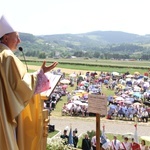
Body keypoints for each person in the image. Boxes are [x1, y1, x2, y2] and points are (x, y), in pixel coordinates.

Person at [0, 15, 58, 150]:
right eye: (17, 37)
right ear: (6, 38)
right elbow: (21, 86)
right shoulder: (7, 57)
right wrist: (40, 74)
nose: (19, 41)